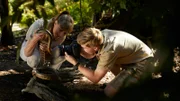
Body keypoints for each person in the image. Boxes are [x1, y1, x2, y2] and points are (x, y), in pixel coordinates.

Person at [64, 27, 154, 98]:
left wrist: (75, 63)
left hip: (143, 62)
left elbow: (95, 78)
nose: (82, 49)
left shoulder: (109, 50)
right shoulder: (98, 36)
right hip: (134, 57)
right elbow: (97, 56)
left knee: (109, 92)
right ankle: (128, 84)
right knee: (110, 66)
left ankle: (138, 90)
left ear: (94, 47)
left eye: (83, 47)